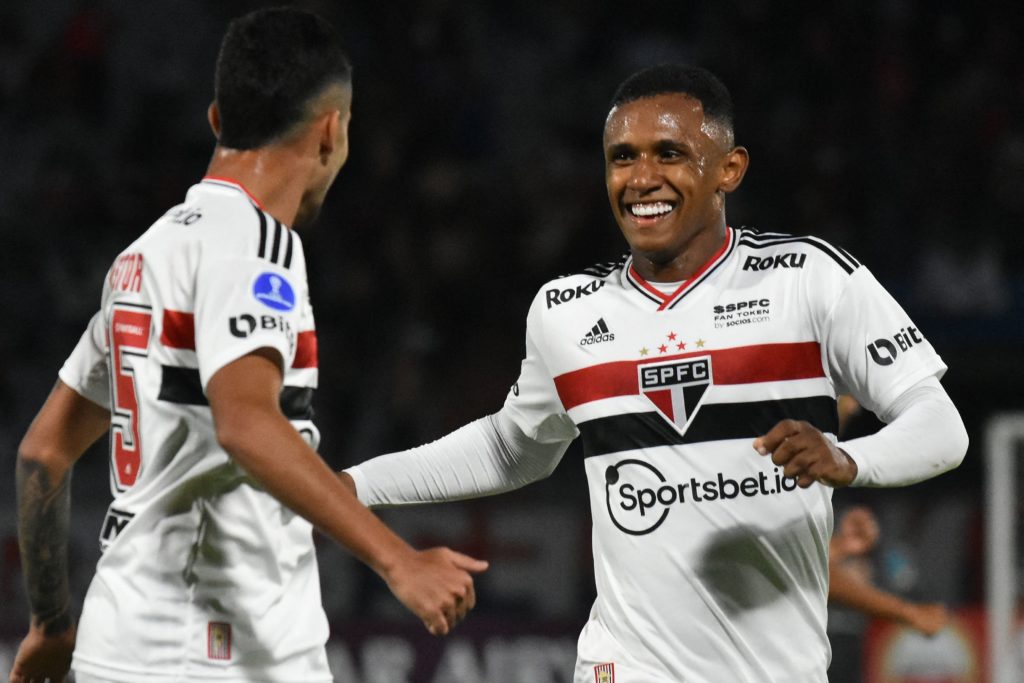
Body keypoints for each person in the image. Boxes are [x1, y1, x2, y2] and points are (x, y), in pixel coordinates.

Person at [340, 64, 968, 682]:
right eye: (622, 157)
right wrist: (348, 485)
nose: (642, 179)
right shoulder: (567, 311)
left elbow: (941, 426)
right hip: (624, 666)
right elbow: (514, 449)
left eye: (669, 154)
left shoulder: (807, 279)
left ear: (730, 168)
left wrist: (846, 459)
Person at [10, 8, 486, 683]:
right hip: (221, 653)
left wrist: (51, 622)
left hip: (120, 644)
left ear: (215, 120)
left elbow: (43, 451)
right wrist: (396, 559)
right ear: (332, 130)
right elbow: (246, 421)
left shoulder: (143, 257)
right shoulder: (258, 246)